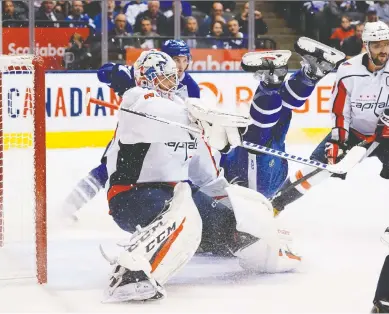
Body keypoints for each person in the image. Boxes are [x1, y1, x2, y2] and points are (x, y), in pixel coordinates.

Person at [100, 50, 267, 302]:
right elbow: (160, 113)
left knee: (228, 223)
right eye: (164, 76)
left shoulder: (184, 111)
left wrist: (238, 211)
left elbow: (208, 178)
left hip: (173, 192)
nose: (172, 81)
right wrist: (206, 121)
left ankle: (243, 240)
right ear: (147, 77)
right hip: (131, 196)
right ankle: (130, 271)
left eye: (172, 76)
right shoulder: (136, 100)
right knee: (184, 210)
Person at [61, 40, 199, 219]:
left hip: (168, 137)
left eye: (184, 60)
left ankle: (182, 211)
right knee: (107, 169)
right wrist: (116, 74)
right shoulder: (148, 70)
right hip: (139, 131)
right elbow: (104, 72)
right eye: (175, 59)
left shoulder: (191, 87)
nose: (180, 66)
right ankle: (69, 206)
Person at [271, 21, 389, 218]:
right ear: (366, 45)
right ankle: (274, 207)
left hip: (384, 136)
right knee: (315, 171)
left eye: (387, 44)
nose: (383, 50)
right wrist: (338, 141)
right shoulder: (348, 70)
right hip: (353, 132)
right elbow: (340, 110)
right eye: (377, 45)